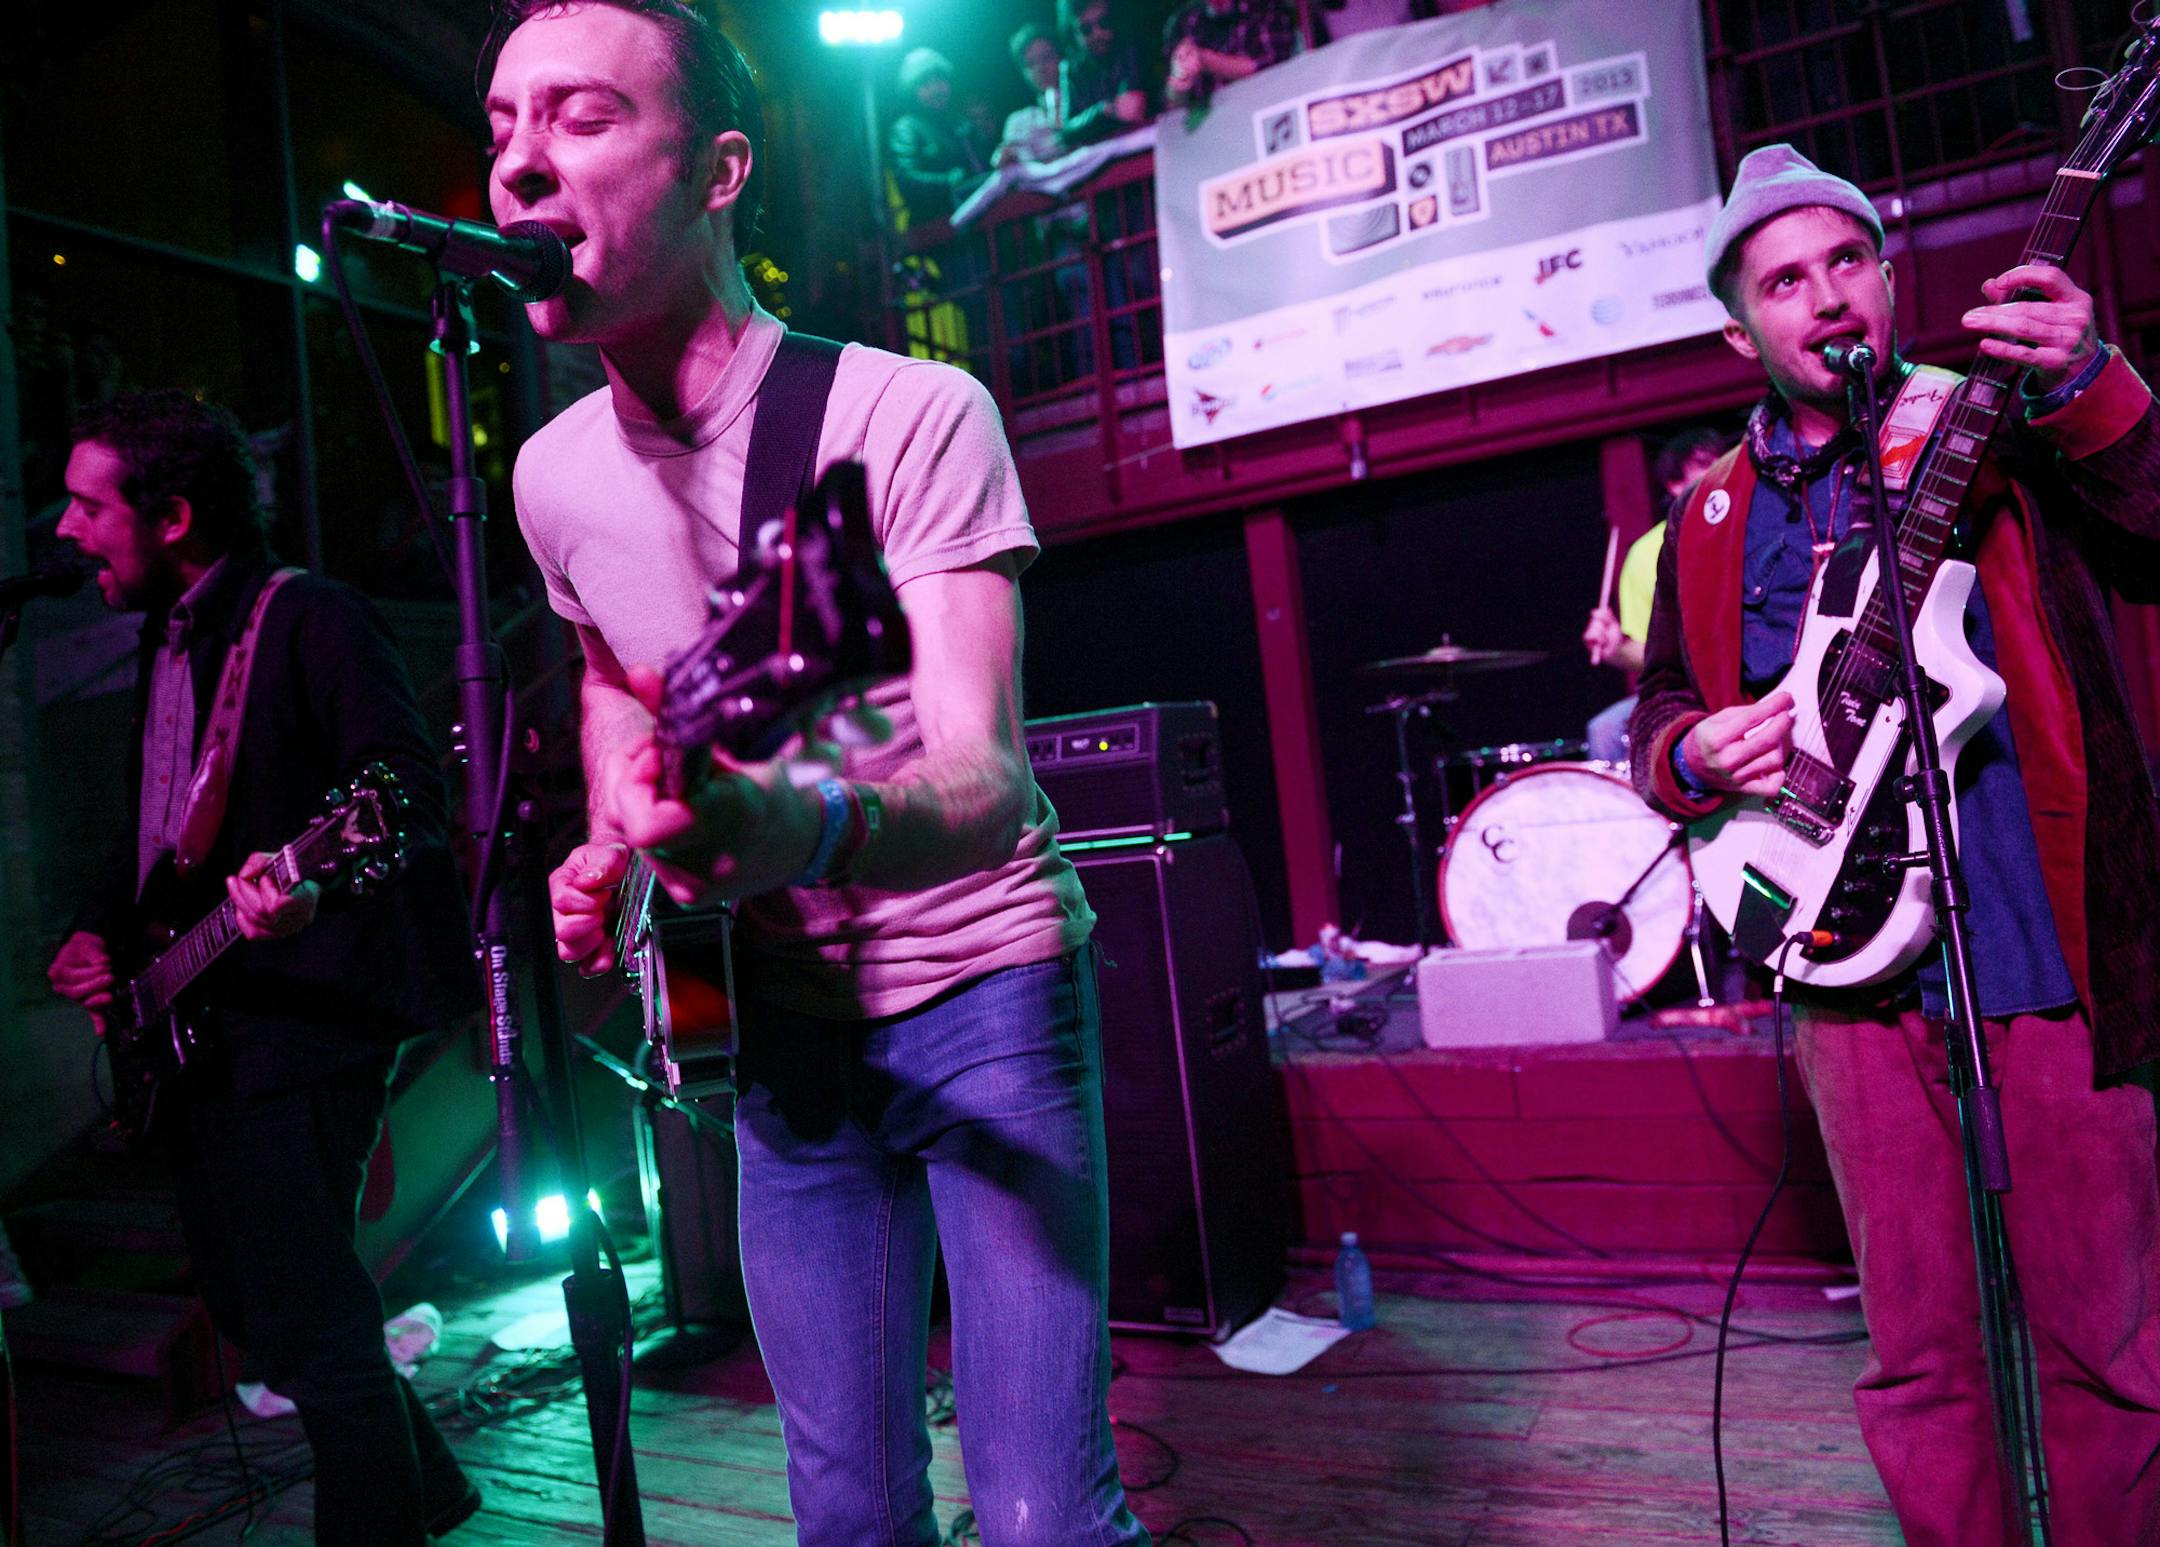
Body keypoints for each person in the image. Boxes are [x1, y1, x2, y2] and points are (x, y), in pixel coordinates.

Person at [479, 4, 1147, 1543]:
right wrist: (617, 835)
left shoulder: (907, 413)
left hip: (984, 988)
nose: (518, 163)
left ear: (718, 172)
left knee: (1045, 1513)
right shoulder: (550, 476)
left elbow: (986, 780)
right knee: (847, 1508)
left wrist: (803, 825)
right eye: (503, 124)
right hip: (776, 1019)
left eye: (580, 116)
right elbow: (613, 674)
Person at [1629, 145, 2160, 1545]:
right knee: (1921, 1353)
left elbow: (2157, 531)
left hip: (2040, 945)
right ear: (1741, 332)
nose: (1826, 296)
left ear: (1888, 274)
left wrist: (2089, 376)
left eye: (1847, 260)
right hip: (1844, 969)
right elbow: (1663, 706)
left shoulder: (1997, 426)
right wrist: (1693, 753)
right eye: (1783, 281)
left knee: (2107, 1336)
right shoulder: (1708, 516)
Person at [43, 390, 479, 1546]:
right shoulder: (165, 634)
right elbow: (152, 835)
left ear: (172, 516)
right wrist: (98, 932)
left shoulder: (310, 616)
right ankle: (429, 1483)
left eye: (88, 506)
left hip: (306, 1020)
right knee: (255, 1300)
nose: (64, 530)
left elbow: (403, 787)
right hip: (208, 1022)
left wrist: (312, 888)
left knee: (311, 1313)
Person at [1582, 428, 1726, 762]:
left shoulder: (1747, 527)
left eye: (1722, 461)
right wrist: (1617, 647)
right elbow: (1652, 654)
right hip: (1687, 692)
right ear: (1675, 484)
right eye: (1705, 465)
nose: (1720, 471)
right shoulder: (1646, 554)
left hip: (1749, 674)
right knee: (1605, 729)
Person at [886, 47, 992, 229]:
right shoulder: (907, 128)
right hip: (937, 230)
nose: (936, 89)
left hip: (980, 221)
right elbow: (907, 180)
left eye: (940, 80)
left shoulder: (959, 123)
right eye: (925, 84)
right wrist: (948, 181)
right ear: (912, 90)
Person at [1162, 0, 1299, 111]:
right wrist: (1180, 78)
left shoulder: (1264, 7)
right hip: (1208, 129)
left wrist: (1205, 59)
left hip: (1263, 115)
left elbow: (1270, 70)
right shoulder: (1185, 21)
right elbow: (1170, 102)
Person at [1059, 0, 1151, 147]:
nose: (1097, 34)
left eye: (1104, 23)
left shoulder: (1130, 49)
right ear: (1073, 33)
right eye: (1086, 29)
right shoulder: (1071, 69)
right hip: (1102, 156)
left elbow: (1133, 110)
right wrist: (1104, 110)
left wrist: (1094, 121)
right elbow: (1066, 132)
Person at [995, 24, 1065, 169]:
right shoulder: (1018, 121)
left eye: (1046, 58)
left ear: (1061, 58)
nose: (1040, 68)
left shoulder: (1086, 99)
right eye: (1030, 64)